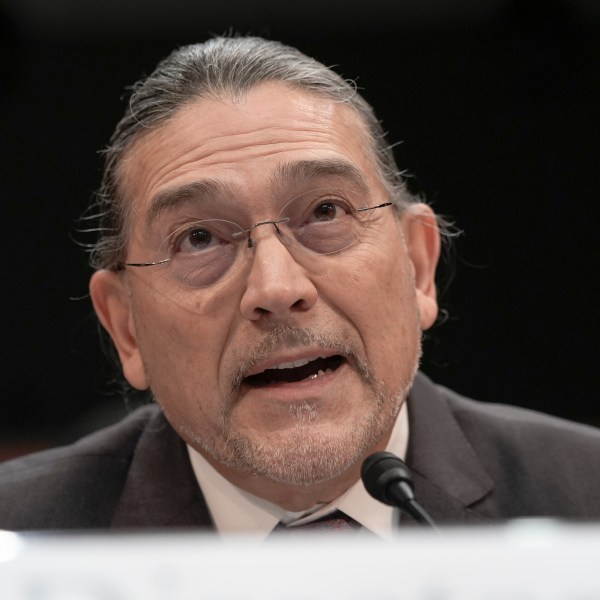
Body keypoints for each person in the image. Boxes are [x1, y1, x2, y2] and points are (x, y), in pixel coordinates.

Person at [1, 36, 599, 536]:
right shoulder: (19, 540)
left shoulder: (585, 503)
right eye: (200, 239)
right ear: (126, 327)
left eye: (326, 212)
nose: (277, 287)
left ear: (418, 267)